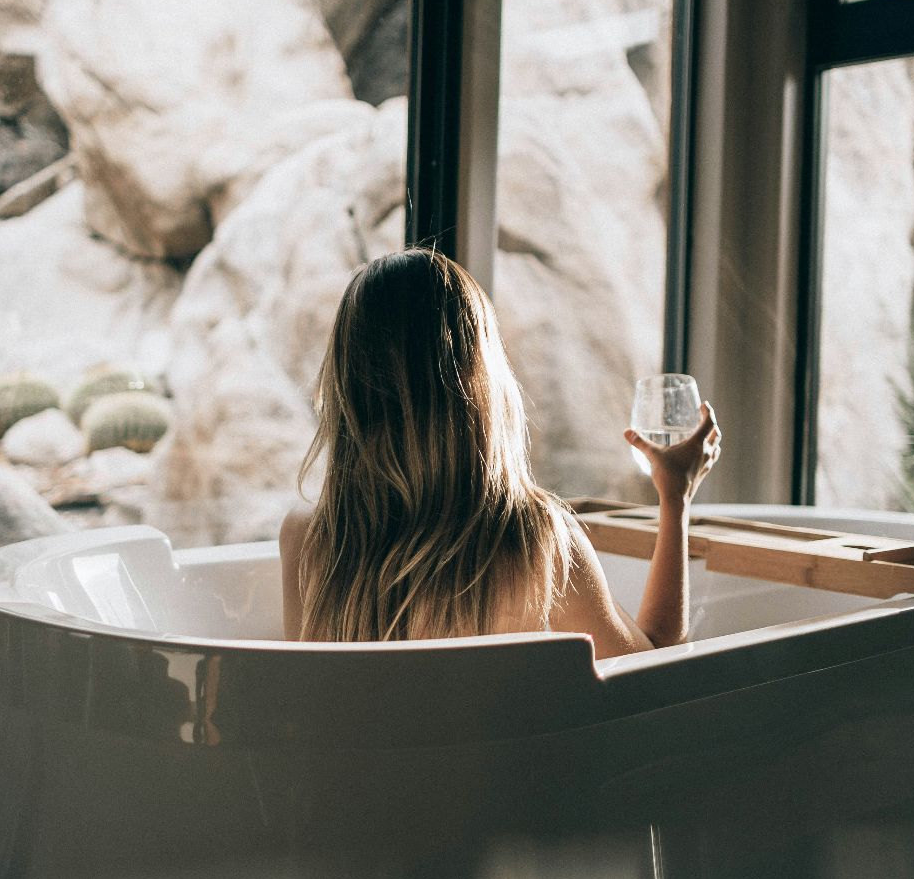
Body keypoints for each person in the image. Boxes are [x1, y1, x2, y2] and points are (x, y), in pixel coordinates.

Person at [279, 248, 720, 657]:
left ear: (346, 387)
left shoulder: (307, 539)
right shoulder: (536, 542)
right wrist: (675, 497)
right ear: (482, 384)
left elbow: (311, 702)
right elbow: (650, 673)